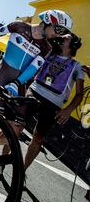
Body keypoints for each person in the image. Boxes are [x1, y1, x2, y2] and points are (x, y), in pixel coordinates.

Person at [0, 10, 74, 202]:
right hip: (0, 78)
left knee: (11, 129)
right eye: (58, 29)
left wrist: (17, 83)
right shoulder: (19, 26)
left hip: (17, 87)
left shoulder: (47, 47)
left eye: (62, 32)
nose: (58, 35)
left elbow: (33, 68)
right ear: (47, 21)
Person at [24, 33, 85, 172]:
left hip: (53, 103)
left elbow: (80, 94)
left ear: (74, 44)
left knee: (38, 138)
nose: (63, 37)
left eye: (67, 37)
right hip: (34, 91)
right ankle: (0, 165)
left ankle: (22, 170)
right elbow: (46, 38)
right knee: (16, 123)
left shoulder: (77, 66)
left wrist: (68, 110)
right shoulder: (49, 53)